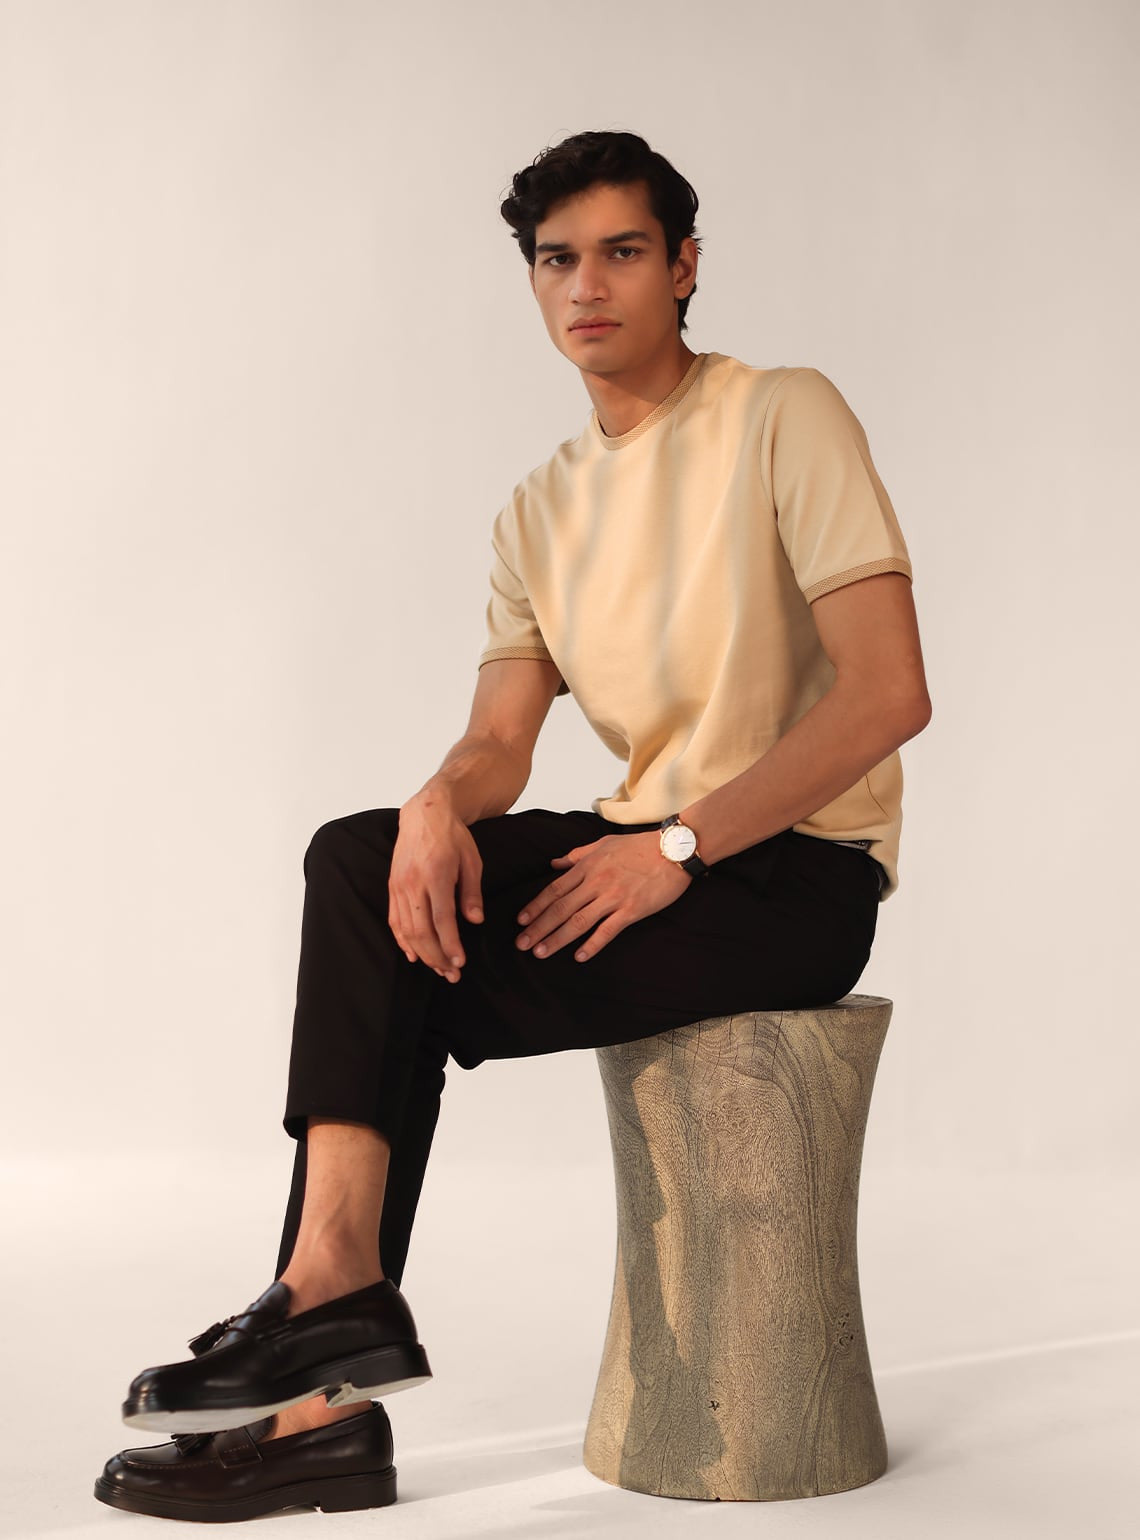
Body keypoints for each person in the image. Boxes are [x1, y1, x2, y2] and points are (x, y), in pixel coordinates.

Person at [94, 129, 932, 1522]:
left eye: (622, 252)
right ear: (533, 279)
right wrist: (436, 806)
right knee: (372, 870)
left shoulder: (783, 413)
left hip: (792, 874)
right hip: (639, 851)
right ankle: (330, 1311)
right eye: (557, 260)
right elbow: (497, 743)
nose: (586, 286)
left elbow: (890, 692)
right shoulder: (538, 510)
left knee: (397, 965)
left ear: (684, 267)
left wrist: (678, 848)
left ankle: (318, 1390)